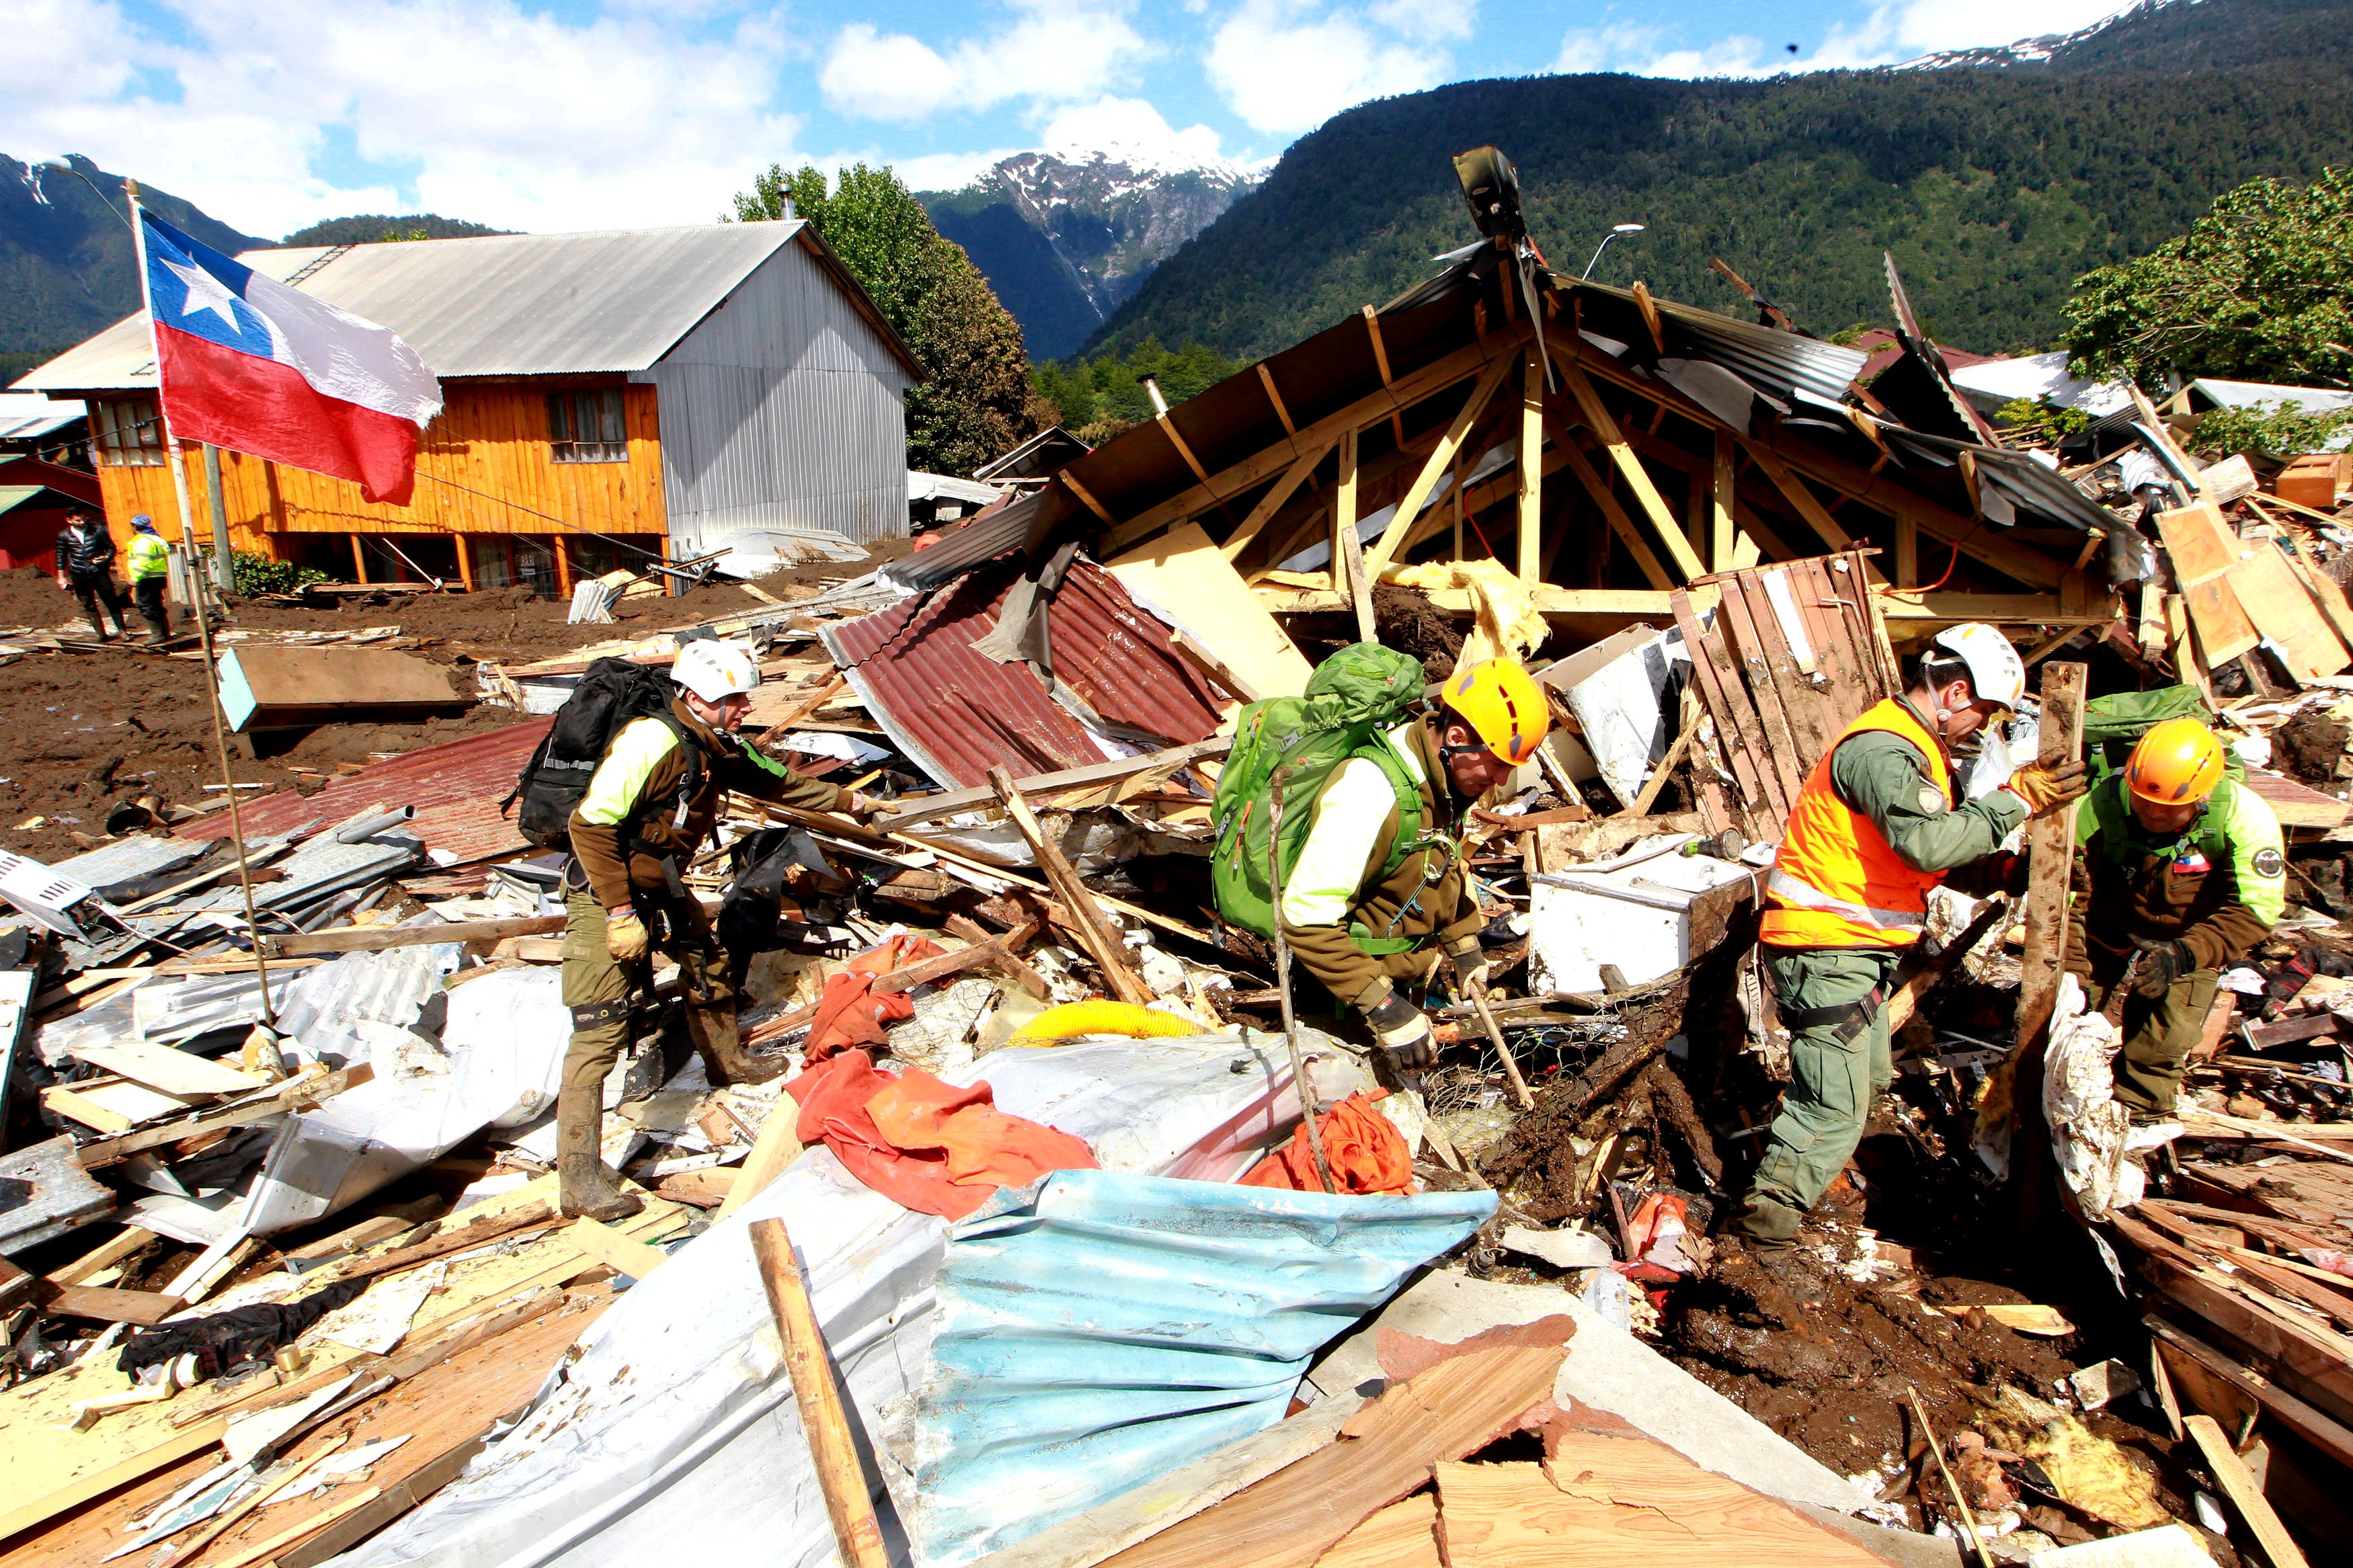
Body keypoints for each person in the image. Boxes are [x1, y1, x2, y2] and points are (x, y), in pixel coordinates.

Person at [1728, 624, 2088, 1262]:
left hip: (1853, 953)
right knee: (1832, 1108)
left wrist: (2002, 872)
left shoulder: (1916, 751)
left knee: (1862, 1082)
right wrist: (2012, 804)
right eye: (1984, 710)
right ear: (1953, 692)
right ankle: (1759, 1243)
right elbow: (1926, 842)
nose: (1983, 727)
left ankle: (1788, 1183)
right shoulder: (1884, 752)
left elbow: (1925, 861)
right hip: (1824, 947)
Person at [559, 638, 880, 1220]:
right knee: (599, 1027)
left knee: (708, 966)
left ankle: (725, 1061)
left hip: (662, 884)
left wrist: (846, 802)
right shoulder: (652, 740)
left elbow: (775, 781)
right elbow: (591, 825)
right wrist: (618, 914)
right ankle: (579, 1178)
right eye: (733, 697)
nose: (745, 707)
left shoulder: (714, 743)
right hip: (604, 892)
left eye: (743, 696)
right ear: (698, 696)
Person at [1276, 655, 1549, 1075]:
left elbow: (1439, 863)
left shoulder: (1444, 778)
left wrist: (1464, 945)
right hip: (1343, 993)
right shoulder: (1369, 791)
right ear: (1457, 736)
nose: (1499, 781)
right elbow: (1305, 917)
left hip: (1398, 980)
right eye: (1496, 765)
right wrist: (1383, 1008)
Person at [2067, 718, 2284, 1119]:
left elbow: (2257, 909)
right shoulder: (2096, 808)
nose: (2151, 812)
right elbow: (2066, 900)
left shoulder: (2246, 817)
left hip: (2192, 936)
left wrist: (2182, 956)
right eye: (2142, 800)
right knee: (2064, 1013)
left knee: (2163, 1041)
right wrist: (2072, 978)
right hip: (2108, 920)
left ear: (2202, 797)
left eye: (2167, 808)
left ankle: (2138, 1121)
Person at [54, 509, 127, 641]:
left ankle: (122, 631)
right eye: (78, 520)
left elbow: (111, 548)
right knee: (88, 605)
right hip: (79, 574)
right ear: (69, 520)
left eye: (83, 519)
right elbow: (61, 556)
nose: (82, 522)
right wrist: (61, 576)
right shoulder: (64, 536)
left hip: (99, 573)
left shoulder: (97, 531)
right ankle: (101, 634)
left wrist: (105, 558)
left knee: (111, 602)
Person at [125, 514, 174, 645]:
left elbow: (144, 562)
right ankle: (165, 633)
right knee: (157, 605)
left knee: (147, 606)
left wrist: (135, 578)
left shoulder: (143, 542)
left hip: (147, 578)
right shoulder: (155, 539)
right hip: (158, 577)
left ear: (135, 526)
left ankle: (158, 635)